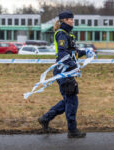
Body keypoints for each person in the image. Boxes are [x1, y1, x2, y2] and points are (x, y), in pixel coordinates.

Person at [38, 10, 89, 138]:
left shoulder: (67, 34)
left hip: (66, 71)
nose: (72, 21)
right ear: (64, 20)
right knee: (72, 100)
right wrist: (73, 65)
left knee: (68, 99)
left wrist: (85, 52)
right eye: (70, 19)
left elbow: (72, 52)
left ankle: (45, 118)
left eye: (72, 19)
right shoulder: (61, 34)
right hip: (63, 71)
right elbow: (62, 53)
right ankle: (72, 131)